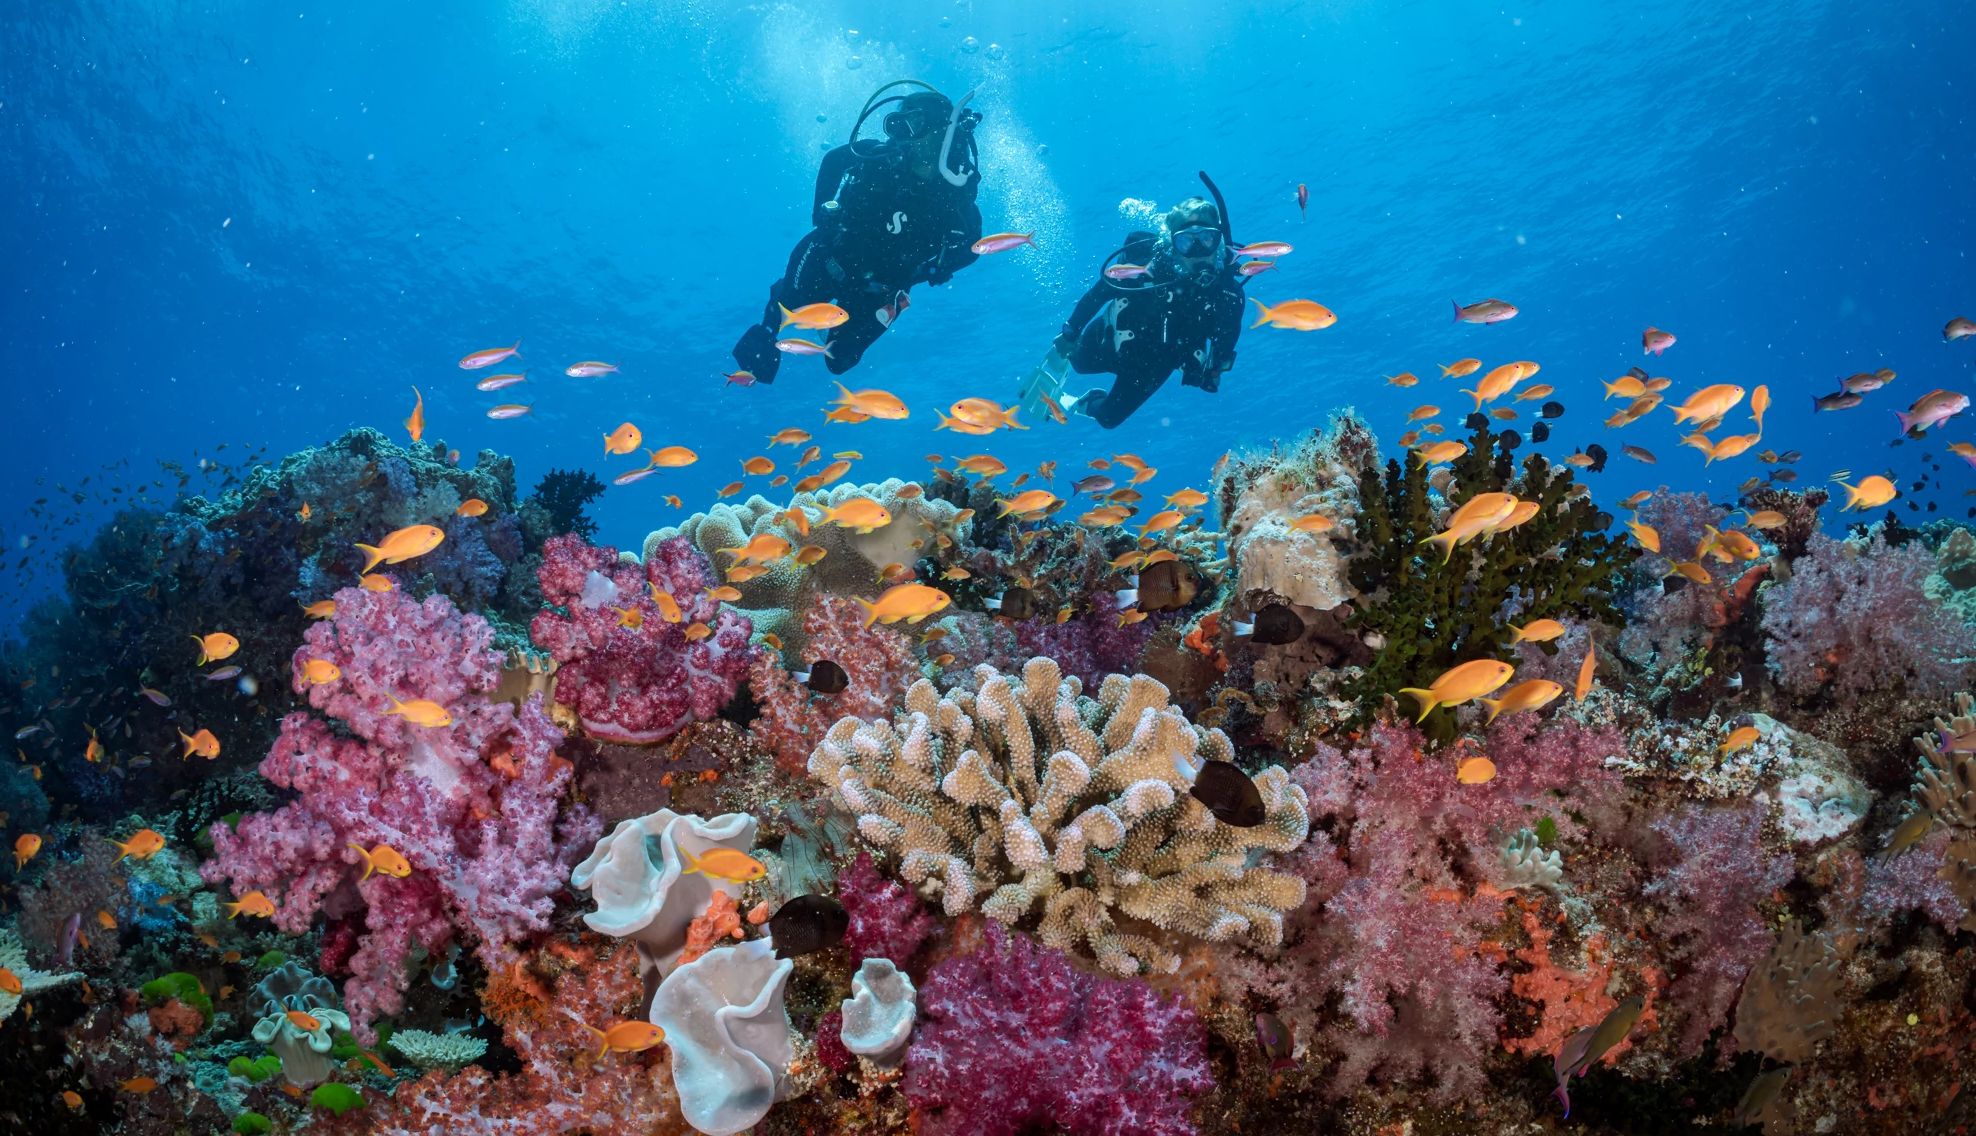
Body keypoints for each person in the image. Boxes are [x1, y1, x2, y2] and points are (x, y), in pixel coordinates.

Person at [733, 81, 984, 381]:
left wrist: (937, 268)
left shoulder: (954, 193)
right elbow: (833, 160)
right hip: (832, 255)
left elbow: (976, 244)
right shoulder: (876, 155)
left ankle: (889, 307)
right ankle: (772, 319)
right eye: (899, 124)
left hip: (882, 288)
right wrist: (821, 214)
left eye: (914, 123)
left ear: (942, 131)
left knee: (839, 361)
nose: (902, 134)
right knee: (786, 304)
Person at [1028, 192, 1247, 429]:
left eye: (1206, 239)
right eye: (1186, 242)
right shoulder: (1146, 268)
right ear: (1173, 244)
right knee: (1080, 364)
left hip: (1155, 365)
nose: (1197, 251)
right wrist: (1071, 331)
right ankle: (1072, 360)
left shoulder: (1228, 294)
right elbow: (1099, 293)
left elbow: (1226, 340)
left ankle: (1086, 402)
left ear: (1220, 242)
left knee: (1108, 419)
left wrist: (1213, 370)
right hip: (1112, 335)